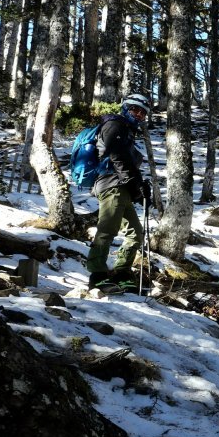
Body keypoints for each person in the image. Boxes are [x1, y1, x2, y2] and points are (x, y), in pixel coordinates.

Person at [85, 93, 153, 292]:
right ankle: (97, 275)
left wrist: (140, 190)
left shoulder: (127, 131)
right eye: (135, 109)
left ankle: (122, 272)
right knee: (107, 229)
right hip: (110, 185)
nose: (139, 115)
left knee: (136, 233)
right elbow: (118, 158)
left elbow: (127, 164)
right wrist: (136, 184)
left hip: (122, 188)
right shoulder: (114, 125)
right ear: (126, 107)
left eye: (143, 112)